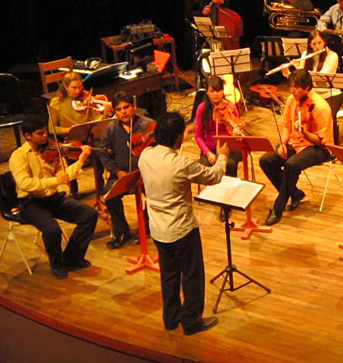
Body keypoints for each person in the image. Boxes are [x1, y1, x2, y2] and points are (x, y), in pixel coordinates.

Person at [139, 112, 227, 335]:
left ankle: (171, 319)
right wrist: (223, 156)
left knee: (168, 275)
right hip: (181, 229)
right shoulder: (181, 164)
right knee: (192, 276)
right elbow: (214, 176)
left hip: (158, 228)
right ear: (178, 137)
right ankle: (191, 322)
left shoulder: (145, 155)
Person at [8, 115, 99, 279]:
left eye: (45, 133)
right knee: (52, 230)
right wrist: (55, 180)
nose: (45, 137)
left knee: (89, 215)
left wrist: (81, 159)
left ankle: (72, 258)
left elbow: (65, 175)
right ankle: (56, 264)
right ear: (28, 136)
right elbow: (24, 183)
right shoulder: (19, 156)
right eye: (40, 134)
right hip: (30, 203)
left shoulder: (52, 150)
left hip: (53, 198)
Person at [260, 69, 334, 226]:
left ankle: (278, 209)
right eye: (291, 86)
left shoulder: (321, 107)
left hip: (319, 147)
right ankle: (295, 193)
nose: (292, 91)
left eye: (296, 87)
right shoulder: (291, 100)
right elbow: (287, 125)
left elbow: (321, 140)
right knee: (266, 160)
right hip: (297, 141)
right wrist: (283, 143)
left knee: (291, 165)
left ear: (307, 88)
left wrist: (305, 132)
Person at [100, 92, 155, 249]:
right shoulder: (110, 129)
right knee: (110, 196)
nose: (123, 112)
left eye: (126, 107)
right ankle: (122, 231)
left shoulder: (148, 125)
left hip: (146, 173)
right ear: (114, 111)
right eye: (118, 109)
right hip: (121, 173)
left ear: (134, 107)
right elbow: (104, 156)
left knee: (156, 193)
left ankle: (146, 227)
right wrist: (117, 172)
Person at [48, 71, 112, 196]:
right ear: (66, 87)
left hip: (89, 135)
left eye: (80, 87)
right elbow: (52, 128)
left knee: (99, 148)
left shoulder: (86, 99)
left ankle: (100, 187)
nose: (78, 91)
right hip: (72, 136)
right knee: (73, 149)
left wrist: (105, 114)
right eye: (74, 87)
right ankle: (74, 189)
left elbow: (96, 122)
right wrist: (70, 129)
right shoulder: (56, 103)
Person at [194, 75, 244, 177]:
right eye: (212, 91)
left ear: (223, 91)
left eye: (218, 91)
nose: (216, 94)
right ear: (207, 92)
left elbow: (237, 125)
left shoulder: (231, 107)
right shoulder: (201, 109)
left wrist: (236, 132)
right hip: (210, 148)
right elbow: (198, 137)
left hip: (229, 148)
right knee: (206, 170)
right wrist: (208, 153)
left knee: (229, 164)